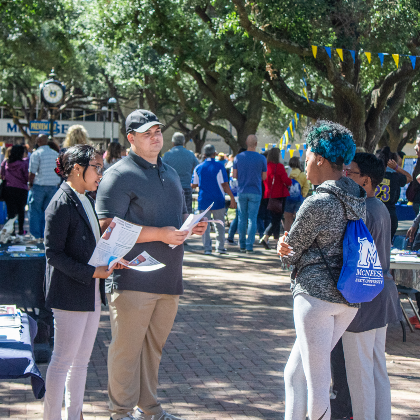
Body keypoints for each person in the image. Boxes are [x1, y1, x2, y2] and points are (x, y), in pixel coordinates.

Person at [95, 109, 207, 420]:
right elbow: (106, 226)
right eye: (147, 133)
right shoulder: (118, 175)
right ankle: (120, 412)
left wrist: (193, 226)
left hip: (168, 277)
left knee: (153, 350)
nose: (156, 137)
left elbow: (177, 219)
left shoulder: (169, 172)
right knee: (126, 351)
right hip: (132, 278)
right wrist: (160, 233)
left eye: (157, 131)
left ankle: (150, 409)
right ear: (131, 138)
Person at [278, 120, 364, 420]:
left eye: (307, 157)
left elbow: (291, 253)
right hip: (348, 298)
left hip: (315, 297)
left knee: (316, 383)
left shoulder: (318, 202)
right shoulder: (357, 197)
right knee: (294, 373)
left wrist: (282, 249)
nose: (305, 163)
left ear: (320, 159)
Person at [43, 145, 121, 420]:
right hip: (69, 293)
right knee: (62, 361)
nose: (101, 174)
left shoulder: (85, 198)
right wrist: (91, 273)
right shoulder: (61, 203)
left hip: (90, 292)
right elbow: (53, 255)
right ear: (77, 169)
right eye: (96, 168)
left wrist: (111, 253)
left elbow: (88, 244)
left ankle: (74, 415)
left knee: (81, 363)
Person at [329, 153, 402, 420]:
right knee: (376, 369)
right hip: (380, 294)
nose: (345, 175)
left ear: (366, 180)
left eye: (351, 172)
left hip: (363, 298)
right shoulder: (379, 207)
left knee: (360, 374)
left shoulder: (362, 211)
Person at [191, 144, 236, 255]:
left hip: (203, 200)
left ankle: (207, 248)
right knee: (219, 224)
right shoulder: (220, 166)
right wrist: (232, 197)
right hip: (217, 200)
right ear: (215, 154)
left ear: (204, 154)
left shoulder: (198, 167)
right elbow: (225, 185)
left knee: (204, 225)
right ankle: (220, 247)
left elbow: (193, 184)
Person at [233, 135, 267, 253]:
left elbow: (234, 175)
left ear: (246, 143)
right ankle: (249, 245)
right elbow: (264, 177)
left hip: (242, 191)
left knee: (242, 218)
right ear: (256, 144)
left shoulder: (238, 157)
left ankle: (242, 244)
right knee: (252, 219)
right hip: (255, 191)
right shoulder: (262, 158)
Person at [375, 146, 412, 242]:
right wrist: (396, 168)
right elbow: (409, 177)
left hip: (374, 213)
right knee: (387, 245)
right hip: (390, 214)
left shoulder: (372, 176)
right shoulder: (395, 176)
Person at [28, 134, 61, 239]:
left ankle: (36, 235)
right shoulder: (55, 154)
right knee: (49, 212)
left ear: (38, 142)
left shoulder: (36, 154)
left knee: (35, 211)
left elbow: (32, 172)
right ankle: (46, 234)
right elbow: (59, 170)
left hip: (39, 185)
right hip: (53, 186)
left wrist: (30, 184)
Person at [259, 148, 291, 249]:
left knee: (274, 218)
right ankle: (265, 236)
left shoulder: (265, 166)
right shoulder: (279, 166)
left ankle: (276, 240)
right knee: (277, 219)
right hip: (279, 195)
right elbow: (286, 180)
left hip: (268, 195)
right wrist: (290, 181)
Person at [162, 132, 199, 214]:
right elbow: (196, 169)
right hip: (187, 187)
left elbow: (162, 171)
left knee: (172, 213)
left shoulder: (167, 155)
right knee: (187, 213)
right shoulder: (190, 154)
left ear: (173, 142)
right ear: (183, 142)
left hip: (172, 188)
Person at [0, 144, 29, 235]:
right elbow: (26, 177)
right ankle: (20, 230)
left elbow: (1, 175)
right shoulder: (24, 163)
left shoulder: (6, 162)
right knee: (21, 211)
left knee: (10, 212)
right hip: (21, 189)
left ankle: (11, 231)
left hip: (8, 189)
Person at [283, 157, 310, 232]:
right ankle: (296, 234)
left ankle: (286, 235)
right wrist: (303, 194)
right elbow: (307, 186)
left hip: (288, 198)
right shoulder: (302, 175)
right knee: (298, 219)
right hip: (298, 198)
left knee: (287, 219)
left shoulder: (287, 173)